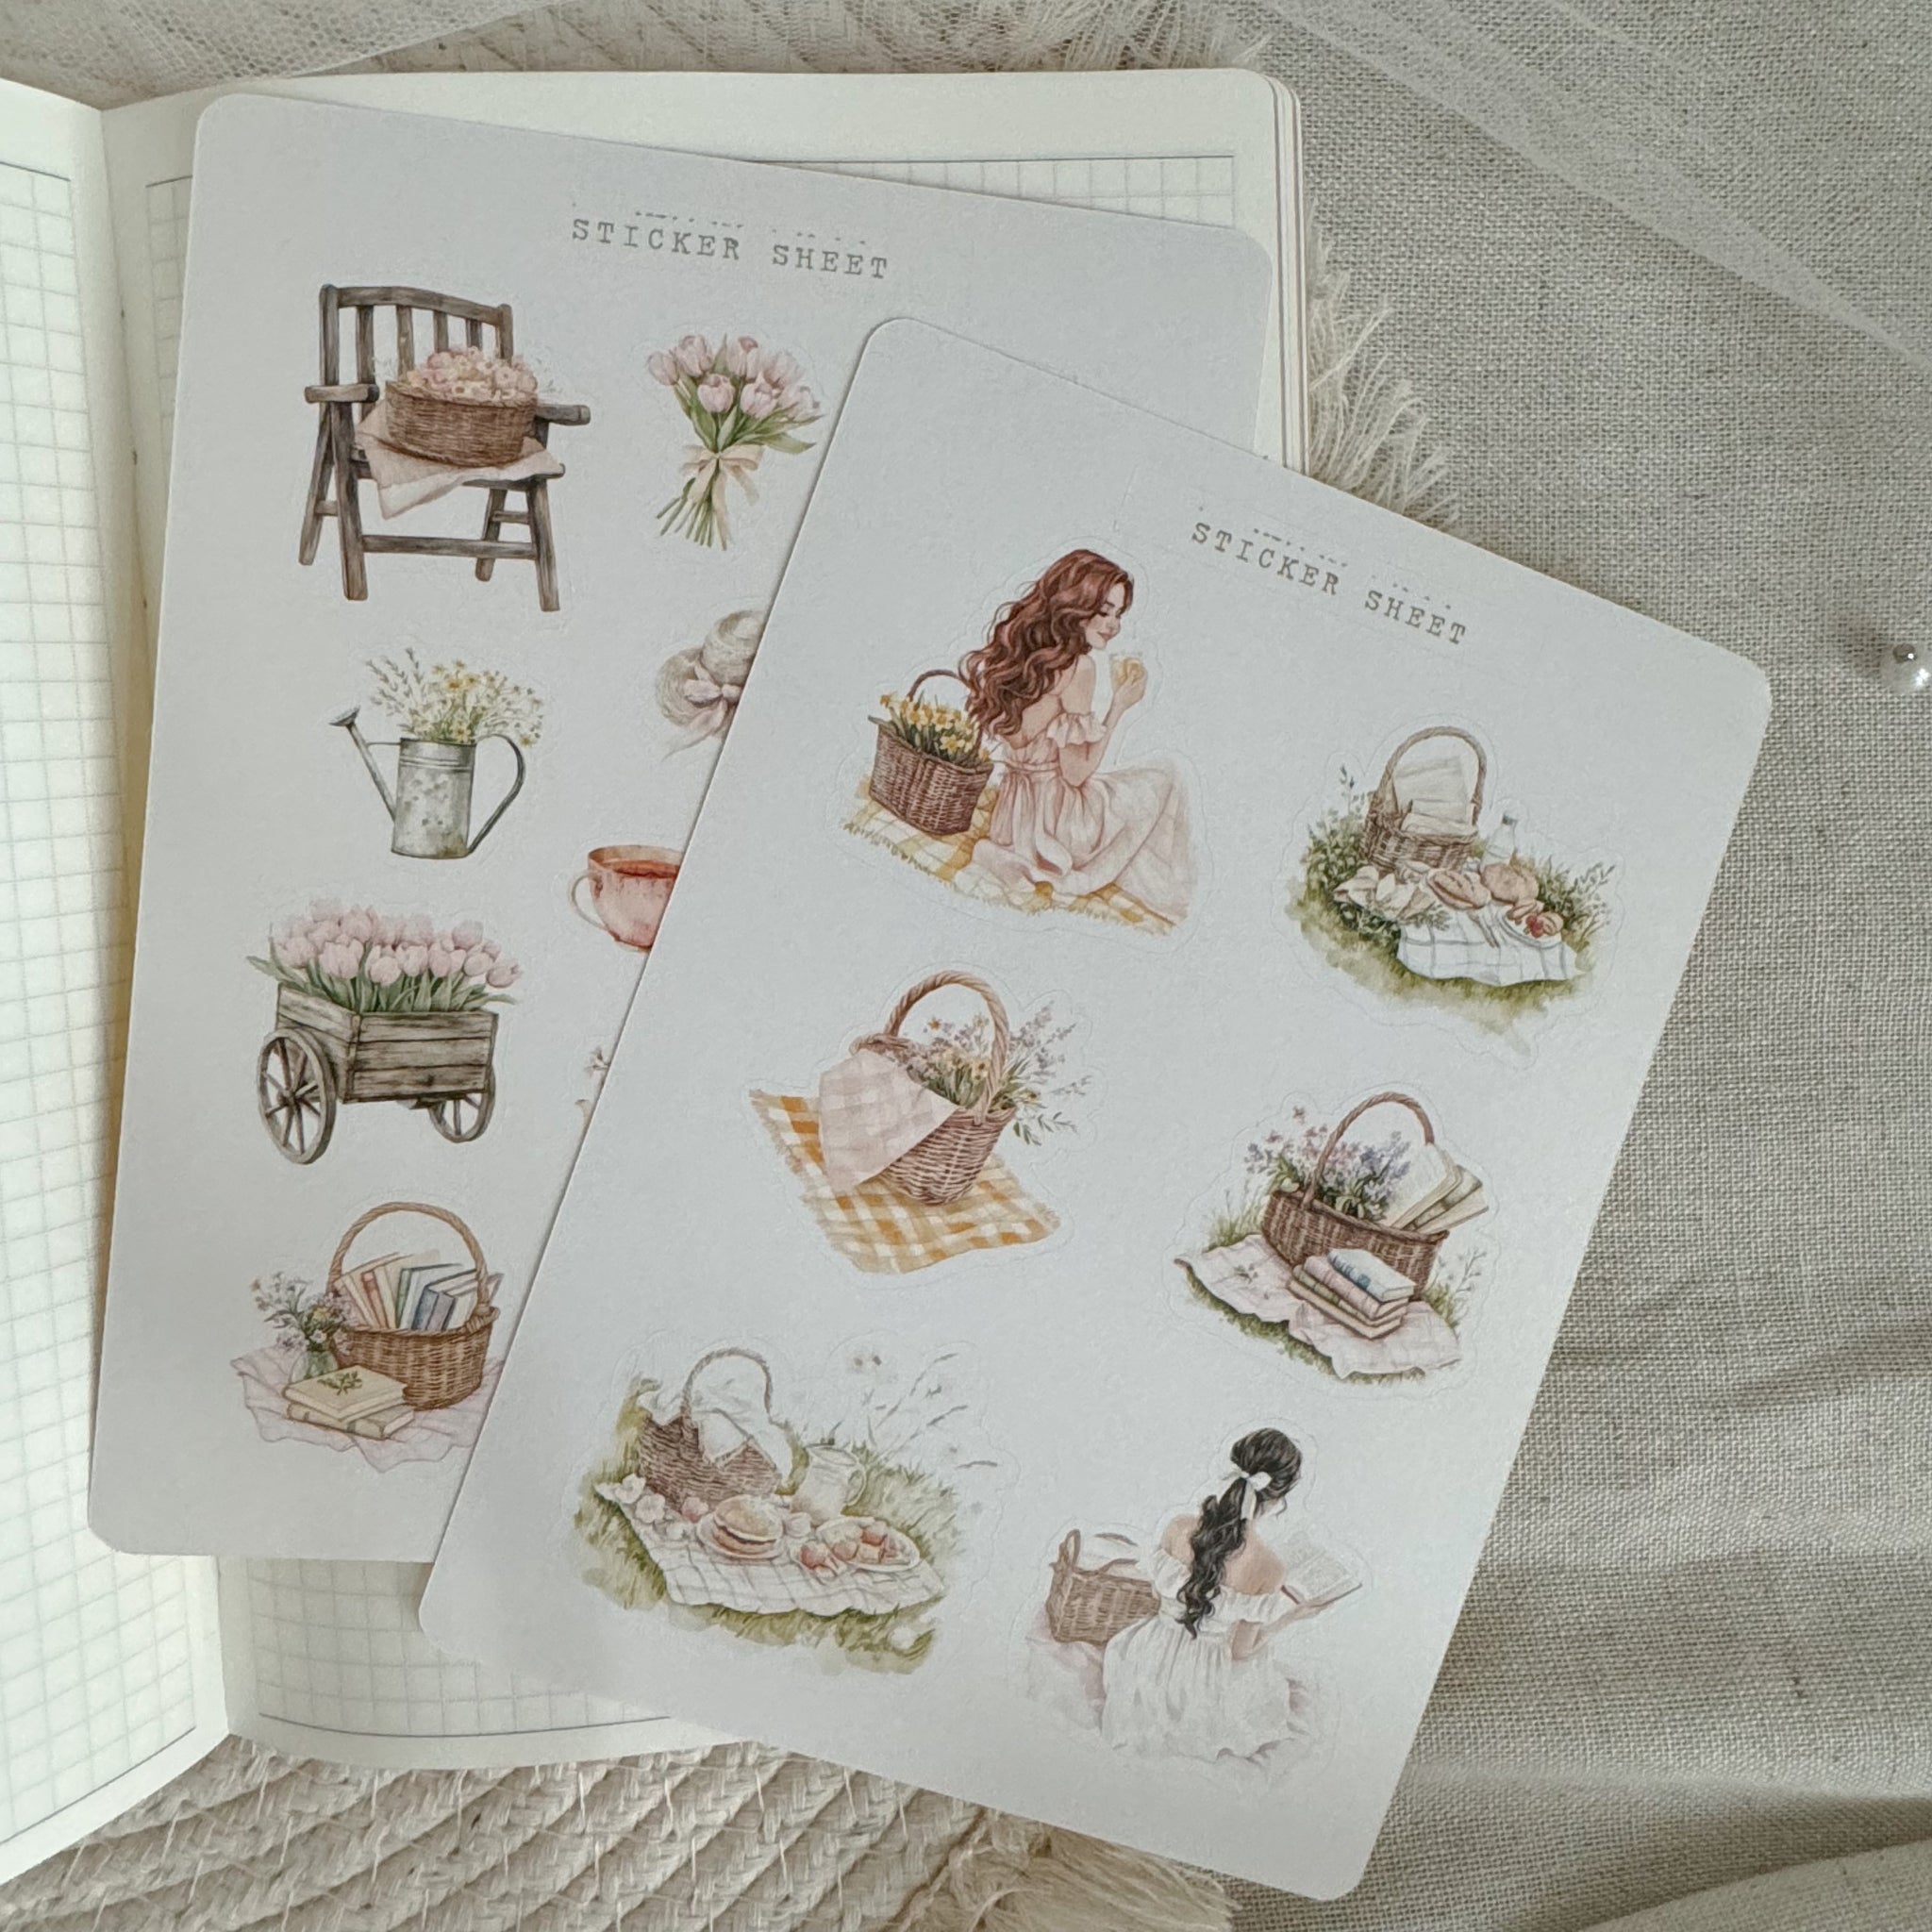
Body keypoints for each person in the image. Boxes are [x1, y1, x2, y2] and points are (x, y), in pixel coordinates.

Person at [959, 549, 1195, 923]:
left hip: (1012, 820)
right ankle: (1178, 894)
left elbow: (1021, 740)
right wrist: (1119, 706)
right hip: (1057, 828)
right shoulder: (1078, 667)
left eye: (1119, 614)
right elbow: (1075, 774)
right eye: (1104, 611)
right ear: (1074, 605)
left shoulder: (1026, 660)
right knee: (1168, 774)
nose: (1113, 625)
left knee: (1132, 787)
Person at [1099, 1428, 1320, 1762]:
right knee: (1265, 1685)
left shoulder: (1178, 1527)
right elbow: (1240, 1652)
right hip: (1201, 1682)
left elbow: (1158, 1593)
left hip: (1146, 1658)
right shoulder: (1270, 1567)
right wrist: (1290, 1617)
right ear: (1278, 1499)